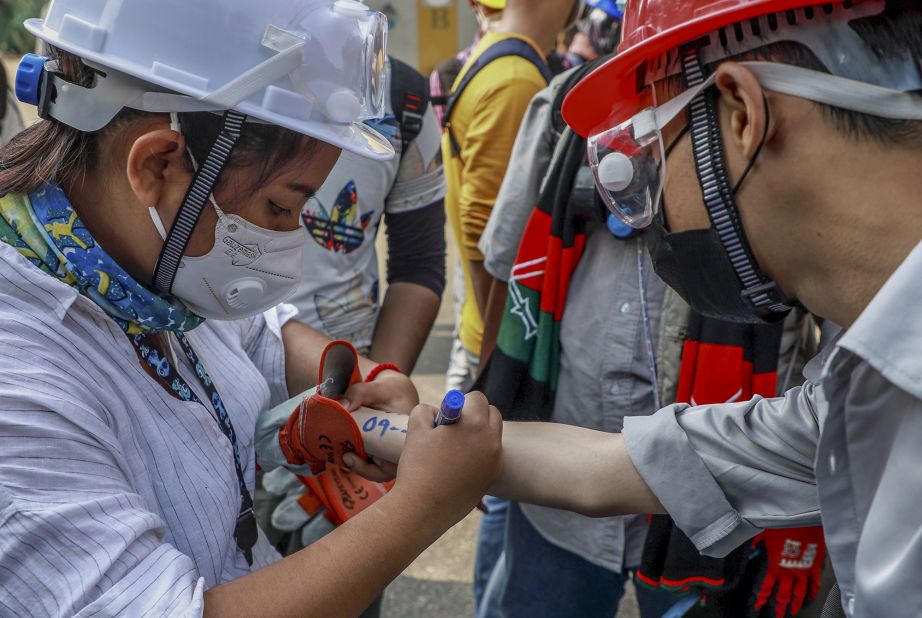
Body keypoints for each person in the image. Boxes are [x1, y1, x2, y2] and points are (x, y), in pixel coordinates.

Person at [343, 1, 922, 615]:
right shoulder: (852, 387)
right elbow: (611, 468)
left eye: (651, 147)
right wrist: (396, 433)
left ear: (742, 114)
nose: (647, 209)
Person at [0, 1, 503, 616]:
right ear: (157, 164)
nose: (289, 240)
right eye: (279, 208)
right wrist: (422, 507)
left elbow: (257, 337)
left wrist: (366, 378)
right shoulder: (19, 378)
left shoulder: (141, 265)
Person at [440, 1, 582, 613]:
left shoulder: (497, 60)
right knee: (503, 500)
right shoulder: (518, 79)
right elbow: (493, 245)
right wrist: (491, 370)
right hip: (498, 338)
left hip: (487, 333)